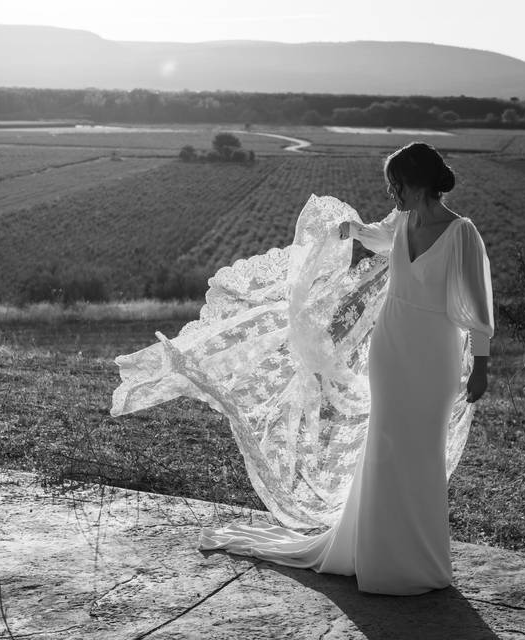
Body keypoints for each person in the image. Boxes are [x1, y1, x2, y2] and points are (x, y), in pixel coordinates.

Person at [111, 141, 494, 596]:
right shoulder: (403, 221)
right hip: (391, 348)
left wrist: (482, 365)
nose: (394, 195)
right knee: (387, 446)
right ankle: (380, 553)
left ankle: (421, 558)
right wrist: (347, 229)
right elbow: (376, 235)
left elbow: (478, 305)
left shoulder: (462, 233)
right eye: (391, 187)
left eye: (399, 186)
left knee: (422, 451)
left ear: (422, 182)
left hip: (434, 353)